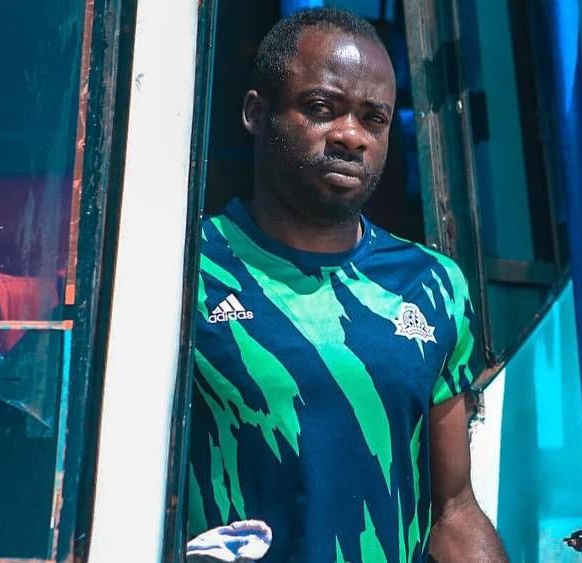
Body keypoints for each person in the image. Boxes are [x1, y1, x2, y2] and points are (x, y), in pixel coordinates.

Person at [188, 7, 506, 562]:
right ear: (256, 113)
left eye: (373, 119)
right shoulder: (186, 271)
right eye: (321, 108)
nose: (351, 136)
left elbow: (453, 509)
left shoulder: (432, 285)